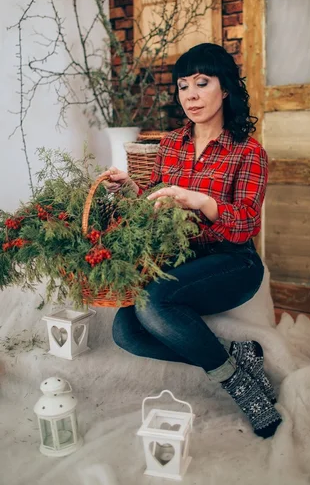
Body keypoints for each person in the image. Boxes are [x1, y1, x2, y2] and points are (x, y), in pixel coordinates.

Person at [101, 43, 282, 439]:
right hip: (183, 260)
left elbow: (247, 223)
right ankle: (236, 359)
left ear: (227, 89)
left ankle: (239, 389)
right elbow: (154, 202)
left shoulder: (248, 152)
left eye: (202, 83)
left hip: (233, 262)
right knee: (125, 331)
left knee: (155, 302)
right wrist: (130, 186)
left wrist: (202, 201)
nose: (191, 95)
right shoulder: (171, 144)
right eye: (183, 86)